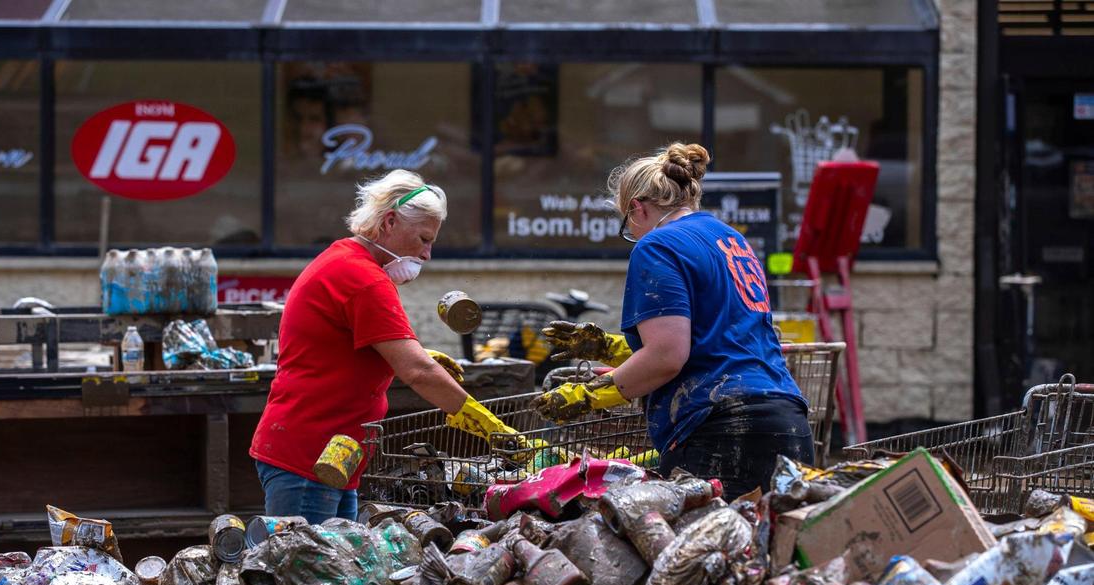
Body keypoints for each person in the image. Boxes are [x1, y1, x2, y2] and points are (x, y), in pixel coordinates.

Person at [533, 143, 813, 500]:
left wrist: (587, 396)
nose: (632, 236)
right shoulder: (731, 239)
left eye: (627, 225)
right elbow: (712, 343)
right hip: (787, 419)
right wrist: (604, 347)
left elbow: (666, 357)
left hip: (724, 430)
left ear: (636, 208)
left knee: (697, 552)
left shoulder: (657, 246)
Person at [250, 169, 523, 524]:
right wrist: (494, 429)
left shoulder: (345, 259)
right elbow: (417, 371)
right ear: (390, 222)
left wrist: (422, 359)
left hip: (331, 456)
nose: (427, 254)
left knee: (338, 569)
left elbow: (368, 348)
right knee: (310, 574)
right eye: (423, 239)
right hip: (309, 459)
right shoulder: (364, 279)